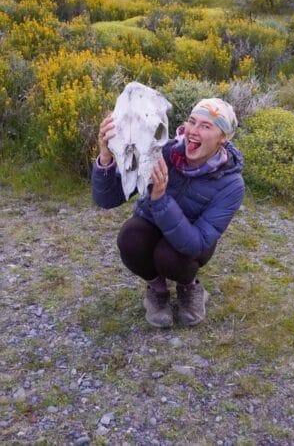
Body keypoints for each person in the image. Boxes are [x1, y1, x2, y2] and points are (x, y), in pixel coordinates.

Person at [92, 98, 245, 327]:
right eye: (192, 122)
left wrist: (161, 199)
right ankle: (157, 290)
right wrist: (106, 157)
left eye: (206, 126)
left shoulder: (231, 183)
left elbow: (197, 243)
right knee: (130, 237)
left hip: (191, 243)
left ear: (223, 138)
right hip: (152, 224)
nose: (194, 131)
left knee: (169, 256)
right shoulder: (162, 150)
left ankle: (189, 287)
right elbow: (107, 199)